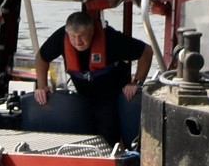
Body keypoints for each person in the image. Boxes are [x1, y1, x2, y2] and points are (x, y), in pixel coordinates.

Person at [34, 10, 152, 146]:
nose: (77, 41)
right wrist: (42, 86)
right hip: (82, 98)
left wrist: (136, 82)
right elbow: (41, 58)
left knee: (106, 138)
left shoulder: (111, 39)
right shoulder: (61, 36)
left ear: (91, 31)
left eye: (82, 36)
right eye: (73, 36)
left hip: (110, 99)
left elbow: (146, 52)